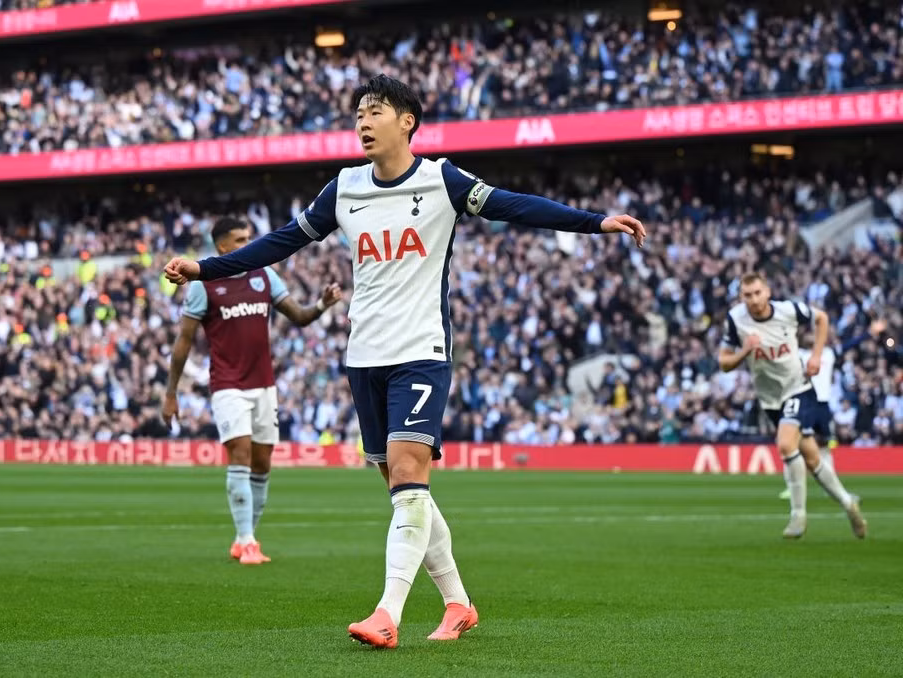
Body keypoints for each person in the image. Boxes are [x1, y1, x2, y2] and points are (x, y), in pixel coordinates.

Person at [164, 74, 646, 647]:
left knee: (411, 478)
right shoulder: (344, 188)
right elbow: (278, 242)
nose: (363, 122)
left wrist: (594, 222)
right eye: (358, 114)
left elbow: (514, 206)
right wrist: (205, 267)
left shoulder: (442, 180)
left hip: (421, 351)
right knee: (402, 487)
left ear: (406, 121)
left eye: (374, 111)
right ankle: (458, 604)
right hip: (364, 355)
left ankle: (387, 613)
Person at [162, 216, 342, 565]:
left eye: (249, 238)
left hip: (264, 385)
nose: (248, 245)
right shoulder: (203, 283)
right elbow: (184, 342)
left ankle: (246, 537)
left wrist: (321, 305)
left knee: (262, 462)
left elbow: (300, 317)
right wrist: (171, 393)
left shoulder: (264, 276)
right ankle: (246, 541)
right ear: (222, 247)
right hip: (228, 385)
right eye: (240, 240)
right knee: (240, 454)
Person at [718, 272, 866, 540]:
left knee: (785, 444)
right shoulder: (735, 319)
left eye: (757, 293)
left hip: (798, 388)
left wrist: (817, 356)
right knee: (810, 457)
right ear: (741, 298)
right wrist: (745, 351)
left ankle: (798, 515)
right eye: (747, 295)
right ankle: (847, 502)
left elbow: (821, 318)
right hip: (769, 399)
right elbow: (724, 363)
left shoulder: (788, 311)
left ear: (768, 292)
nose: (753, 300)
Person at [778, 317, 887, 500]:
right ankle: (792, 487)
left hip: (823, 407)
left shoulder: (829, 353)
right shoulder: (801, 355)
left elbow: (851, 344)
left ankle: (833, 489)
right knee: (795, 446)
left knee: (826, 448)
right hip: (805, 404)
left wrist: (870, 333)